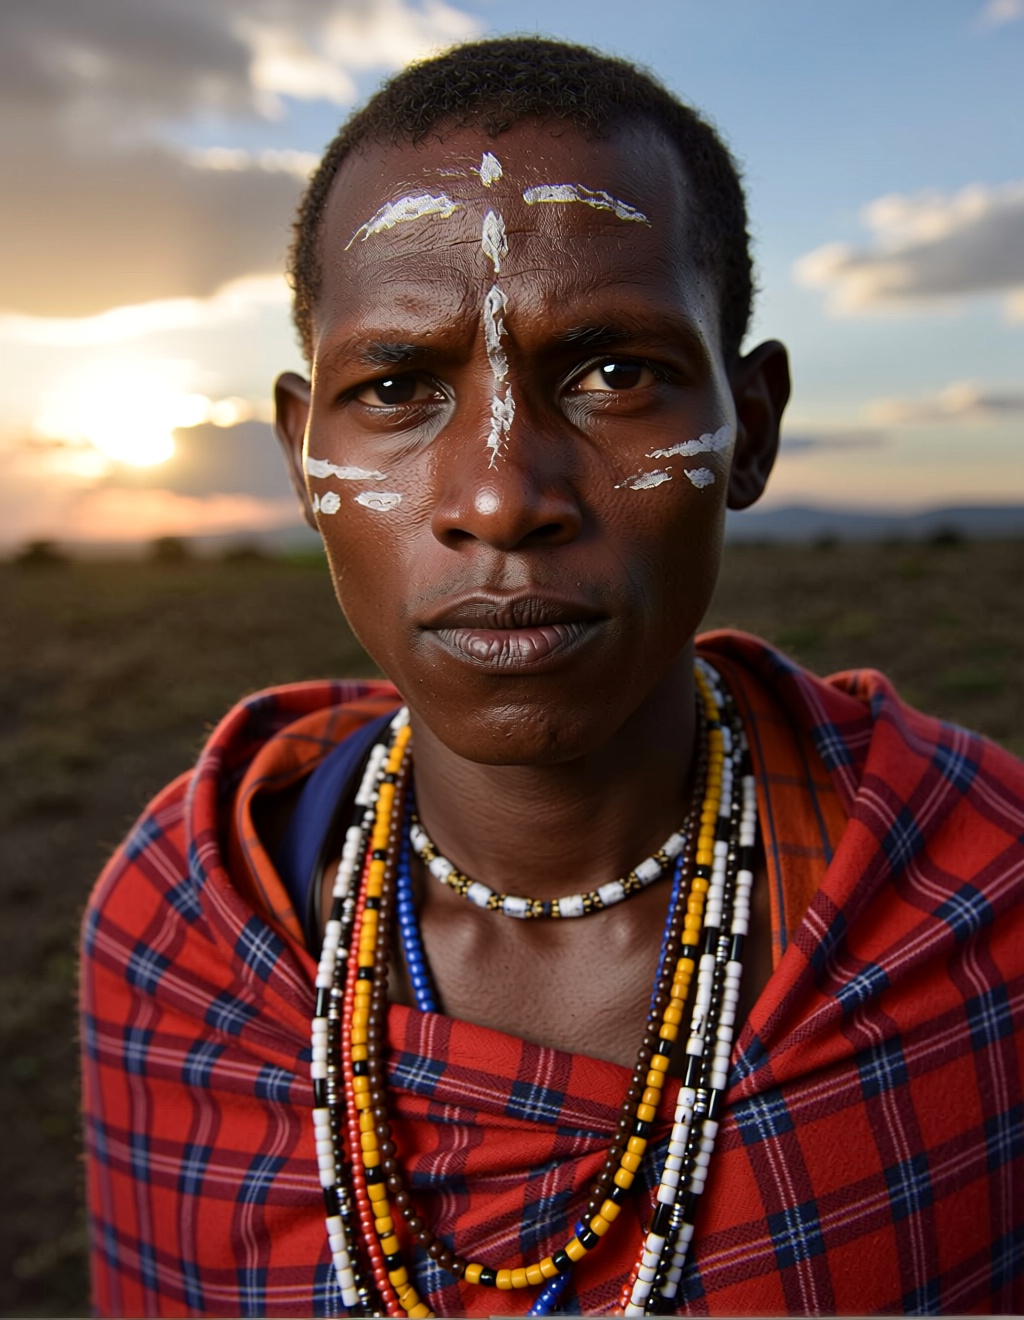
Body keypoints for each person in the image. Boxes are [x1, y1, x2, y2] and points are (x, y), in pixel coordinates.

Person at [80, 36, 1024, 1318]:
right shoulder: (187, 932)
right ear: (304, 454)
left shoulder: (980, 902)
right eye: (400, 387)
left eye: (614, 372)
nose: (498, 496)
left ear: (749, 428)